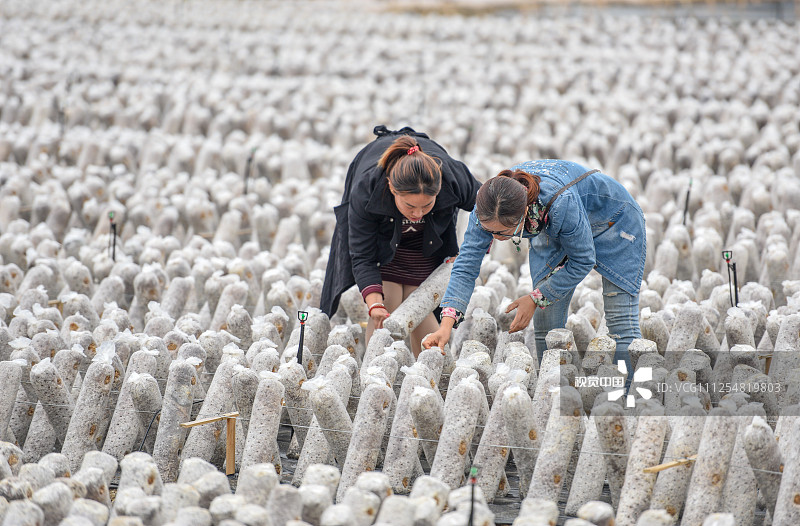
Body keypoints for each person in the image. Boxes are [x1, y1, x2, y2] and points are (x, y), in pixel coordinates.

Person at [423, 160, 646, 380]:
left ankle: (633, 395)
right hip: (555, 226)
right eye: (489, 230)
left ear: (524, 216)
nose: (494, 237)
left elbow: (582, 260)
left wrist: (536, 297)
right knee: (546, 324)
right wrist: (446, 326)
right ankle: (552, 392)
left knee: (620, 323)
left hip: (613, 220)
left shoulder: (560, 204)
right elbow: (466, 265)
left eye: (502, 233)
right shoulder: (487, 207)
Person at [321, 126, 481, 355]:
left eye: (427, 205)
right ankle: (375, 373)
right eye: (410, 206)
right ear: (391, 189)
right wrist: (374, 303)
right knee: (388, 306)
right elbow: (362, 255)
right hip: (384, 244)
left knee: (419, 305)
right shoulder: (367, 189)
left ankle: (432, 373)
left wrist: (473, 248)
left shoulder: (452, 177)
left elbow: (486, 208)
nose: (417, 214)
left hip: (426, 244)